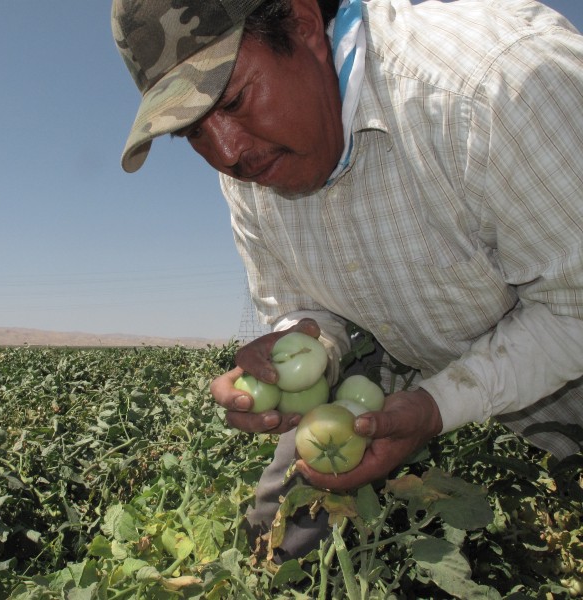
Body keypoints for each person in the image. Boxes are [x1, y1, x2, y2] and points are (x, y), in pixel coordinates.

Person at [111, 0, 583, 559]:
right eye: (190, 132)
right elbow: (296, 303)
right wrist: (302, 340)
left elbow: (573, 307)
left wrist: (439, 404)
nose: (226, 152)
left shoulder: (494, 85)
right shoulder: (251, 166)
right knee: (284, 531)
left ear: (305, 24)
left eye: (234, 99)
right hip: (399, 339)